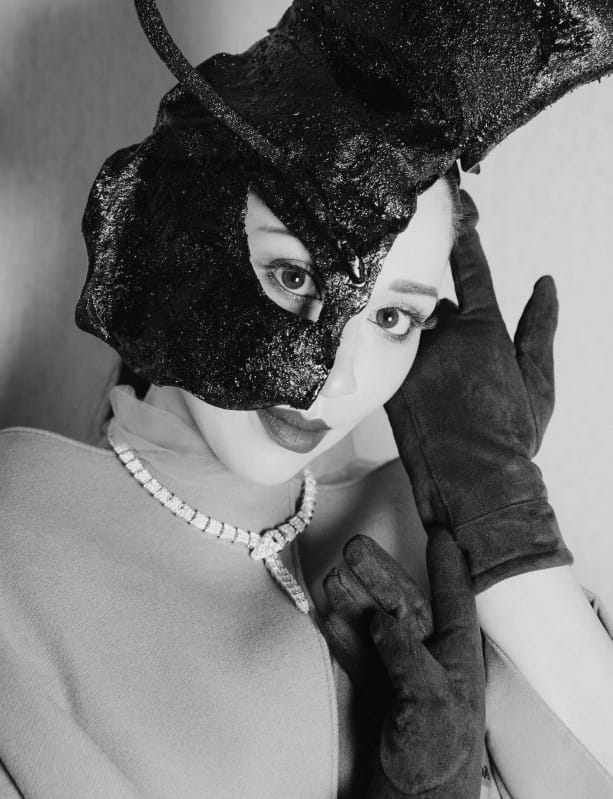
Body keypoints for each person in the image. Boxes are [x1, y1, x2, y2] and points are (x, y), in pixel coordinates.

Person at [2, 0, 613, 797]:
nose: (337, 376)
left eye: (392, 317)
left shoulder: (424, 521)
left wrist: (499, 500)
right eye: (294, 276)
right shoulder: (21, 533)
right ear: (181, 240)